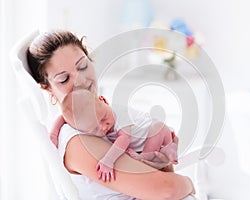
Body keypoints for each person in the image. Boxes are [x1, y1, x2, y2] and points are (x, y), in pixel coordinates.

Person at [26, 30, 196, 199]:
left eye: (83, 66)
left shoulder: (101, 110)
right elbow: (167, 190)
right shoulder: (76, 141)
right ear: (47, 87)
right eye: (64, 79)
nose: (81, 80)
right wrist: (188, 183)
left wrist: (163, 155)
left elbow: (161, 177)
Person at [55, 88, 178, 182]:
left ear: (104, 100)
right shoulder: (88, 120)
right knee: (154, 159)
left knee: (155, 131)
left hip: (158, 131)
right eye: (95, 128)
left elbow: (124, 139)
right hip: (146, 145)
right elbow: (68, 116)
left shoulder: (120, 113)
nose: (104, 127)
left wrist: (108, 160)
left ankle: (163, 150)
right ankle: (167, 150)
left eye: (104, 118)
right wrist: (54, 131)